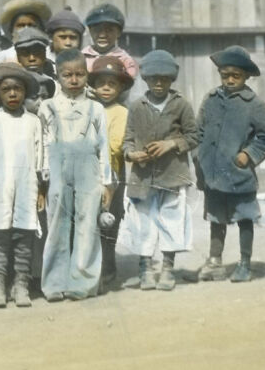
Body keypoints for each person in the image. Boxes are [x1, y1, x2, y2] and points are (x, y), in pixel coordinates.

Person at [195, 46, 265, 283]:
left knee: (244, 217)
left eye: (236, 76)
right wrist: (199, 157)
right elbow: (198, 130)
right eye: (225, 75)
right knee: (215, 218)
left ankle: (244, 263)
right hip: (213, 173)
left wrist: (248, 155)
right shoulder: (210, 99)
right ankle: (215, 262)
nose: (230, 80)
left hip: (239, 173)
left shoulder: (254, 104)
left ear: (246, 76)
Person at [38, 49, 113, 301]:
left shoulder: (95, 108)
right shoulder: (47, 107)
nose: (73, 80)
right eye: (67, 75)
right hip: (57, 169)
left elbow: (103, 146)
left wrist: (106, 183)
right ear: (57, 76)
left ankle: (83, 281)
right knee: (57, 223)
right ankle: (54, 282)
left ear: (86, 75)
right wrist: (43, 177)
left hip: (88, 168)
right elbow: (43, 144)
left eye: (79, 74)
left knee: (87, 223)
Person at [120, 50, 198, 291]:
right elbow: (128, 140)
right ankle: (145, 269)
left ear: (171, 79)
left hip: (172, 175)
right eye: (154, 78)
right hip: (143, 177)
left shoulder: (181, 105)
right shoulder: (136, 106)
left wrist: (171, 144)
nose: (159, 83)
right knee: (143, 223)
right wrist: (131, 154)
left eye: (164, 78)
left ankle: (167, 268)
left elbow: (194, 136)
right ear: (145, 79)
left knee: (172, 221)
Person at [0, 63, 44, 308]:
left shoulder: (33, 121)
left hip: (27, 185)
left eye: (17, 89)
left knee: (25, 234)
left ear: (25, 92)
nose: (12, 94)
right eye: (6, 90)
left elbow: (40, 155)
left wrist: (42, 188)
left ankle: (21, 284)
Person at [88, 56, 133, 285]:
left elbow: (115, 145)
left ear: (121, 87)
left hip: (111, 174)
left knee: (108, 219)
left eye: (112, 83)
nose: (105, 88)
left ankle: (108, 265)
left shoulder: (121, 112)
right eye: (101, 83)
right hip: (86, 172)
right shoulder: (87, 107)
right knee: (87, 219)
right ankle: (88, 265)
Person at [82, 3, 138, 78]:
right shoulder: (82, 57)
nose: (102, 35)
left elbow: (128, 82)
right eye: (97, 30)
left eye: (109, 30)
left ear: (119, 33)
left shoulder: (125, 60)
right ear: (90, 31)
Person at [0, 0, 52, 65]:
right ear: (12, 30)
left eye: (31, 25)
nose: (26, 29)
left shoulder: (49, 54)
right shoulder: (3, 57)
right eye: (21, 25)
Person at [14, 26, 57, 113]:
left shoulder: (56, 82)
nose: (32, 58)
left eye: (37, 52)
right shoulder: (13, 82)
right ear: (18, 56)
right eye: (25, 53)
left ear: (45, 54)